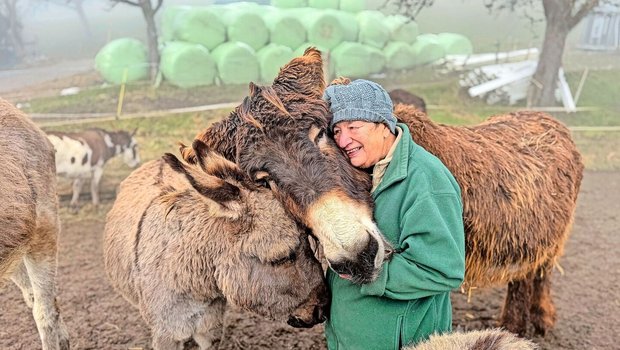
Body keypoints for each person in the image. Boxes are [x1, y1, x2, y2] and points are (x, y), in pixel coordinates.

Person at [322, 79, 466, 349]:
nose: (342, 140)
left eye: (354, 127)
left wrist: (364, 270)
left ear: (384, 125)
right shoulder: (355, 174)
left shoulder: (426, 181)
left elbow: (443, 269)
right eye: (337, 130)